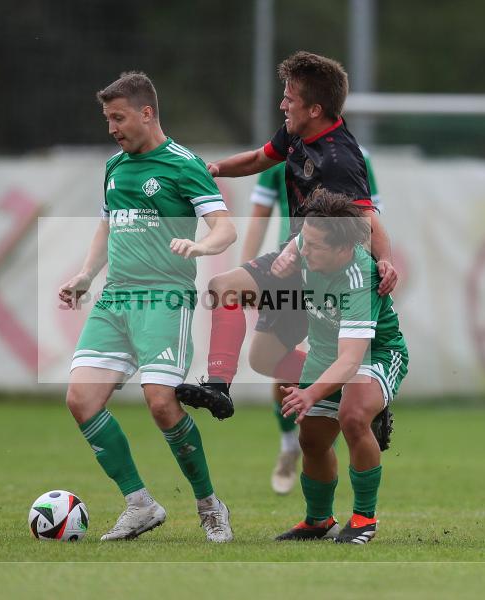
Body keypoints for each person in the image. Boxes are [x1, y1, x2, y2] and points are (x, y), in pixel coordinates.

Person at [176, 51, 398, 438]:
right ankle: (347, 390)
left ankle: (219, 385)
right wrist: (215, 169)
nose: (282, 105)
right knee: (264, 358)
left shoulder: (339, 159)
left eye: (289, 98)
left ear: (314, 109)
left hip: (323, 265)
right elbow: (258, 159)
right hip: (298, 255)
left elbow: (367, 217)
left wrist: (387, 260)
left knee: (224, 286)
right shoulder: (297, 133)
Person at [58, 72, 237, 542]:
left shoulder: (183, 164)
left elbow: (225, 228)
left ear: (147, 112)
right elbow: (107, 226)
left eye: (119, 118)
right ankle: (139, 504)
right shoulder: (114, 167)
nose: (112, 128)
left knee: (160, 401)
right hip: (116, 297)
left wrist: (201, 247)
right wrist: (85, 275)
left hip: (163, 296)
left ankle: (209, 505)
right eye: (107, 119)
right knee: (80, 400)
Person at [243, 146, 382, 495]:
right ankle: (290, 444)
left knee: (344, 357)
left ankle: (342, 402)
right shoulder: (279, 155)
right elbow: (258, 218)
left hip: (336, 271)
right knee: (266, 359)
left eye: (291, 114)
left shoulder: (356, 157)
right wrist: (249, 275)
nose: (286, 117)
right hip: (291, 272)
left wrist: (379, 266)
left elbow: (371, 221)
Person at [270, 189, 408, 544]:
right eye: (304, 241)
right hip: (324, 352)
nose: (305, 250)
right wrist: (286, 255)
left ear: (343, 248)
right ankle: (318, 520)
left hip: (376, 353)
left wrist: (310, 394)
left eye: (314, 246)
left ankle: (364, 519)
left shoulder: (360, 277)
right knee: (311, 439)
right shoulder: (310, 242)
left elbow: (351, 360)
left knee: (353, 415)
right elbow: (299, 243)